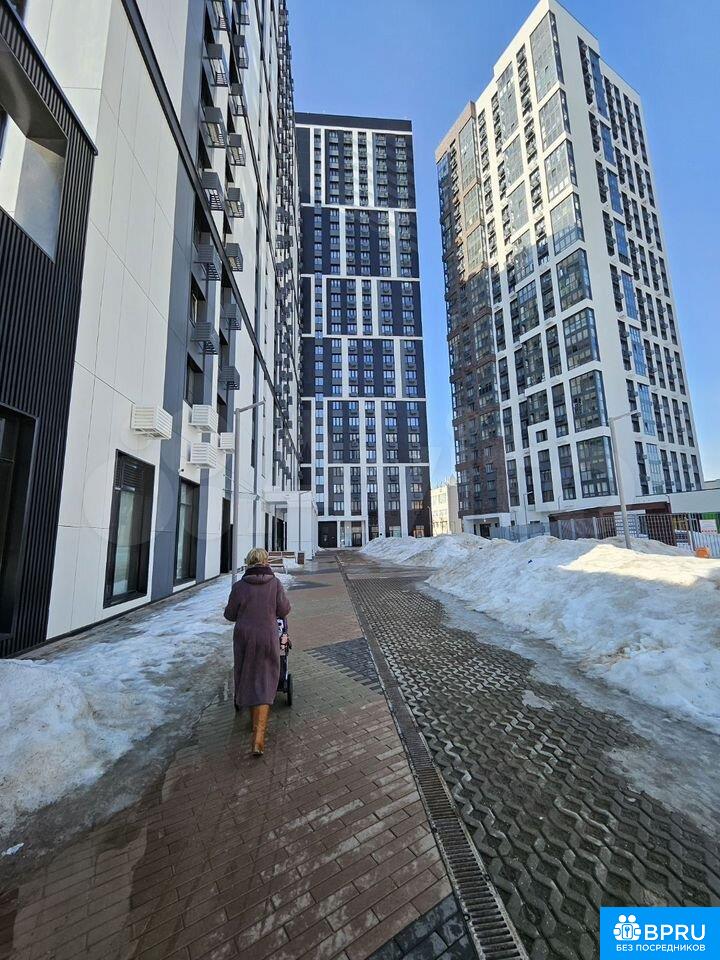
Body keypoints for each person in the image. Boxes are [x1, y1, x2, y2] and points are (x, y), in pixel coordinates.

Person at [224, 547, 291, 756]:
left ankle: (252, 722)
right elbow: (284, 610)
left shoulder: (239, 586)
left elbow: (230, 614)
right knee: (265, 678)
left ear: (249, 562)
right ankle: (258, 738)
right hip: (267, 636)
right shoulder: (275, 584)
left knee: (247, 674)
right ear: (266, 562)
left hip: (244, 638)